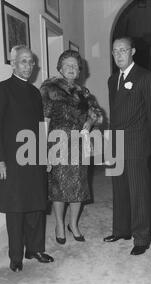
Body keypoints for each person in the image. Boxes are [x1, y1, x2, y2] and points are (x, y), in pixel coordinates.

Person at [0, 45, 53, 272]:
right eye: (23, 61)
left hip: (33, 157)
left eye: (31, 62)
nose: (28, 66)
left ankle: (35, 248)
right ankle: (15, 256)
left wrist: (45, 156)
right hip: (11, 162)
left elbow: (40, 127)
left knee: (36, 205)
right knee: (15, 208)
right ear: (13, 63)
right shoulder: (1, 90)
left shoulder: (35, 93)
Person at [104, 37, 151, 255]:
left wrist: (147, 140)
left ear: (133, 52)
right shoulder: (112, 80)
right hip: (115, 142)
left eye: (123, 50)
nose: (119, 55)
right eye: (115, 51)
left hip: (136, 142)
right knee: (119, 189)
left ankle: (141, 238)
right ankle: (121, 229)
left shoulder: (146, 77)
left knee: (139, 191)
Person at [40, 50, 103, 244]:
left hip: (79, 144)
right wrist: (43, 150)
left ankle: (73, 224)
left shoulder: (84, 93)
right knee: (59, 187)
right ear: (60, 68)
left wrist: (89, 124)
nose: (71, 69)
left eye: (75, 66)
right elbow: (43, 119)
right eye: (67, 65)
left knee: (78, 187)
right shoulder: (49, 90)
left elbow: (97, 115)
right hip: (57, 143)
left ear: (79, 71)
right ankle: (59, 224)